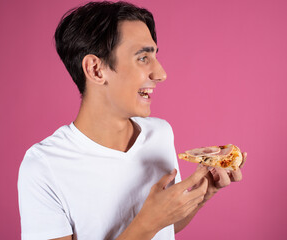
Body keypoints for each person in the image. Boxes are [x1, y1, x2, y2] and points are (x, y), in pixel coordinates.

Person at [17, 1, 247, 240]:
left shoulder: (160, 133)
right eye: (142, 57)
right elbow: (153, 223)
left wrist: (203, 194)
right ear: (96, 70)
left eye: (155, 55)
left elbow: (167, 225)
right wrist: (147, 223)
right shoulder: (44, 166)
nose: (161, 74)